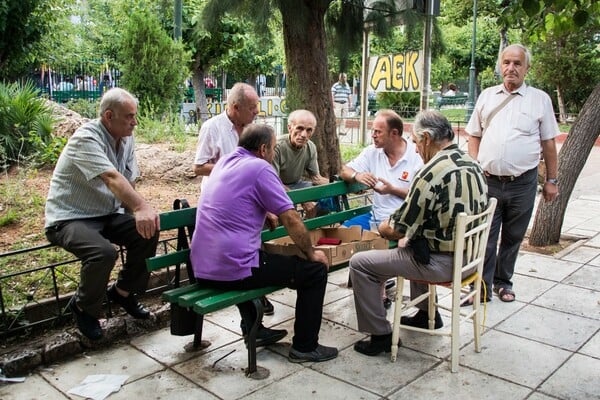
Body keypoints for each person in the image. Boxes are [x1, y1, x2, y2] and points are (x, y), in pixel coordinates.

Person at [189, 124, 338, 363]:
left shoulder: (224, 163)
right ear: (263, 149)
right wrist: (311, 252)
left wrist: (265, 210)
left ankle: (255, 329)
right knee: (314, 271)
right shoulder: (260, 167)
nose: (273, 154)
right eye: (273, 149)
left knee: (255, 256)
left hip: (201, 268)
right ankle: (305, 347)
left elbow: (239, 199)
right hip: (233, 270)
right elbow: (290, 217)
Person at [349, 110, 488, 356]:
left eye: (415, 142)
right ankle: (426, 314)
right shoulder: (471, 163)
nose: (414, 149)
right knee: (413, 243)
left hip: (444, 264)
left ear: (425, 138)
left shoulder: (431, 172)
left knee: (361, 263)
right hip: (472, 260)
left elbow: (395, 228)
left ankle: (380, 335)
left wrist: (383, 228)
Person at [44, 88, 159, 341]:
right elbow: (111, 177)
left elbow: (128, 181)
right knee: (103, 253)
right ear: (109, 116)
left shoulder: (126, 138)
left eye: (135, 115)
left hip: (106, 213)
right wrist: (141, 207)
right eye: (129, 116)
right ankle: (84, 307)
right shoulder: (86, 138)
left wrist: (136, 219)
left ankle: (123, 293)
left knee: (147, 232)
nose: (135, 122)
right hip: (70, 217)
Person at [466, 43, 559, 303]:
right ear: (500, 66)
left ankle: (503, 282)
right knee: (485, 236)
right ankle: (481, 288)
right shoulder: (487, 96)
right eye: (506, 62)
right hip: (488, 181)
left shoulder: (540, 99)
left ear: (527, 68)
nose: (511, 68)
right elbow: (474, 134)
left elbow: (549, 143)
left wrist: (552, 180)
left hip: (523, 183)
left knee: (513, 236)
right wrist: (474, 166)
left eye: (517, 63)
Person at [192, 82, 275, 314]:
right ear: (235, 107)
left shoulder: (251, 129)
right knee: (239, 257)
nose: (257, 112)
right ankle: (254, 314)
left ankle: (256, 311)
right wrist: (231, 171)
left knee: (249, 250)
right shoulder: (212, 127)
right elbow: (198, 166)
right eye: (252, 107)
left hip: (247, 202)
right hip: (222, 203)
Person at [340, 109, 423, 232]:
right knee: (340, 234)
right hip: (375, 218)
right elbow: (342, 169)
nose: (373, 135)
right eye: (373, 131)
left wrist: (393, 190)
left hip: (403, 221)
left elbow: (422, 196)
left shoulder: (416, 155)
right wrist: (356, 175)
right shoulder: (372, 152)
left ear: (394, 133)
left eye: (378, 132)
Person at [272, 109, 330, 218]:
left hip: (297, 185)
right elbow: (273, 183)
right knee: (287, 207)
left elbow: (316, 178)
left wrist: (335, 185)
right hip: (277, 188)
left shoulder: (310, 147)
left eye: (309, 130)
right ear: (289, 128)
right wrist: (301, 198)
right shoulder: (277, 147)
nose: (304, 134)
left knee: (330, 196)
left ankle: (309, 224)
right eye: (300, 128)